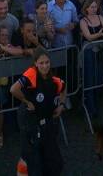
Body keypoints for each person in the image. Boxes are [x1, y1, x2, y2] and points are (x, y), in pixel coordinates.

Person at [10, 47, 66, 176]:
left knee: (53, 161)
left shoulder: (52, 79)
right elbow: (13, 89)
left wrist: (61, 105)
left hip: (45, 122)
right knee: (31, 157)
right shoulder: (32, 73)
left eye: (47, 62)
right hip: (30, 122)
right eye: (41, 63)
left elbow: (63, 87)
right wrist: (27, 101)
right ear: (35, 63)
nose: (45, 66)